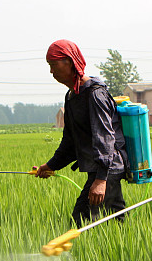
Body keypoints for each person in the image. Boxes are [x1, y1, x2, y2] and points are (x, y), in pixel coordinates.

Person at [34, 39, 128, 227]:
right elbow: (70, 141)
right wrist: (51, 165)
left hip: (107, 170)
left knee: (81, 222)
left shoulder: (94, 94)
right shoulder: (72, 96)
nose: (51, 72)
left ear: (69, 62)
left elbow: (105, 137)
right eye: (49, 66)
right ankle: (123, 249)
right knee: (115, 222)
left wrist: (101, 179)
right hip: (101, 171)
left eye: (54, 65)